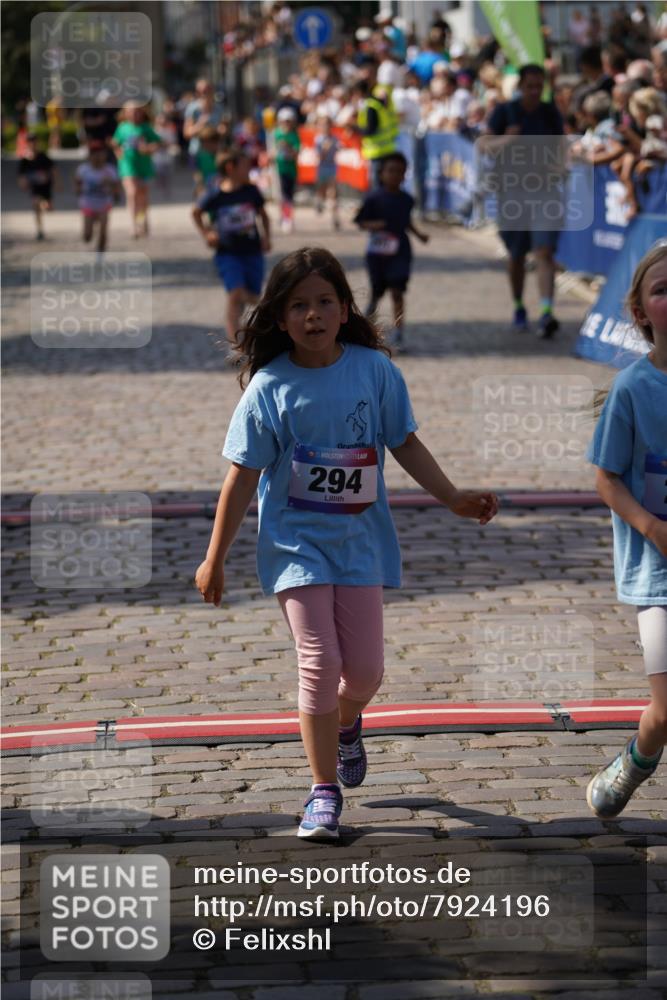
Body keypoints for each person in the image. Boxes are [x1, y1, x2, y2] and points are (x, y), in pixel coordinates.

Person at [194, 247, 499, 840]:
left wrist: (453, 497)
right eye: (299, 305)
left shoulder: (374, 371)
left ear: (344, 308)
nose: (313, 315)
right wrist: (214, 557)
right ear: (279, 319)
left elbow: (404, 442)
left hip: (360, 543)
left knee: (363, 674)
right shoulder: (268, 388)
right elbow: (242, 476)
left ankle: (348, 720)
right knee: (321, 662)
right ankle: (323, 792)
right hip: (294, 546)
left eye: (324, 302)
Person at [586, 241, 667, 819]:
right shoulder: (632, 389)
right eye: (662, 290)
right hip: (658, 569)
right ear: (640, 312)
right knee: (665, 712)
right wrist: (650, 526)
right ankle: (636, 760)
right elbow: (607, 479)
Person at [487, 64, 564, 338]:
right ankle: (519, 306)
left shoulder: (549, 112)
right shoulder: (504, 111)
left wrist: (559, 166)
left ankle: (546, 312)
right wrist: (507, 139)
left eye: (538, 86)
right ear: (520, 86)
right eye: (530, 85)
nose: (534, 91)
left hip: (544, 192)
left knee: (544, 252)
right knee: (517, 255)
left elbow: (560, 146)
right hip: (512, 193)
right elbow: (485, 145)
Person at [192, 147, 271, 347]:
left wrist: (266, 237)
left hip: (252, 251)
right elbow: (195, 212)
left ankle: (246, 333)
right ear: (230, 167)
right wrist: (207, 234)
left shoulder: (251, 191)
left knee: (253, 297)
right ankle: (236, 345)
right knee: (235, 295)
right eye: (245, 166)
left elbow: (264, 215)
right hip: (227, 253)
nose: (249, 170)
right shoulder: (215, 194)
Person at [354, 151, 429, 352]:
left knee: (397, 291)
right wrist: (374, 224)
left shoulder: (406, 199)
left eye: (400, 171)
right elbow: (360, 221)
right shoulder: (373, 198)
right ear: (381, 173)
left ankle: (398, 334)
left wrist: (419, 235)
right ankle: (365, 332)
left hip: (401, 252)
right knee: (377, 293)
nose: (395, 175)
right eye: (391, 171)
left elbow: (406, 222)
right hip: (377, 254)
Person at [111, 102, 163, 238]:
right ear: (125, 113)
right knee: (132, 193)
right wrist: (119, 154)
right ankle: (133, 225)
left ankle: (143, 219)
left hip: (144, 167)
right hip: (128, 166)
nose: (134, 114)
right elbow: (115, 143)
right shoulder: (122, 128)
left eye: (136, 111)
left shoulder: (146, 128)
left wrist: (148, 149)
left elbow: (158, 143)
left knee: (143, 196)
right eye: (131, 111)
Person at [74, 140, 121, 253]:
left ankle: (100, 253)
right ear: (90, 156)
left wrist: (111, 187)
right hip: (88, 204)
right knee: (87, 236)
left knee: (103, 231)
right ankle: (90, 231)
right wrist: (80, 190)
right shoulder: (83, 170)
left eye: (100, 153)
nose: (98, 157)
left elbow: (117, 189)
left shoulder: (110, 170)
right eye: (94, 154)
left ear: (105, 155)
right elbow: (77, 186)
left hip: (104, 203)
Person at [355, 81, 400, 188]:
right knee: (386, 181)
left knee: (378, 181)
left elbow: (371, 129)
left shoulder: (371, 107)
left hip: (377, 150)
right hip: (387, 148)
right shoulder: (382, 107)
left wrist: (356, 129)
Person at [17, 133, 56, 240]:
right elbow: (21, 175)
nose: (33, 144)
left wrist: (57, 183)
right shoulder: (25, 160)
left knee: (47, 208)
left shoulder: (43, 156)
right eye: (30, 142)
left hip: (45, 187)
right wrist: (22, 184)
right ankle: (40, 230)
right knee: (36, 206)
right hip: (35, 188)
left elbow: (53, 169)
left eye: (34, 141)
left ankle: (46, 204)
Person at [273, 107, 301, 233]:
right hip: (277, 169)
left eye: (289, 121)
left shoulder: (294, 136)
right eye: (284, 121)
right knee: (281, 196)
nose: (286, 124)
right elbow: (272, 150)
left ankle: (288, 218)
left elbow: (296, 152)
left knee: (288, 196)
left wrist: (288, 147)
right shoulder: (275, 134)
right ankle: (283, 217)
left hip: (290, 169)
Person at [314, 116, 340, 230]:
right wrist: (325, 148)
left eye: (327, 124)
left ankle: (335, 218)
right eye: (323, 125)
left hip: (332, 168)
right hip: (321, 168)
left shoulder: (335, 138)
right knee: (322, 190)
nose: (326, 127)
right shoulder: (318, 140)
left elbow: (338, 150)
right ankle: (319, 201)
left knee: (333, 192)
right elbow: (319, 157)